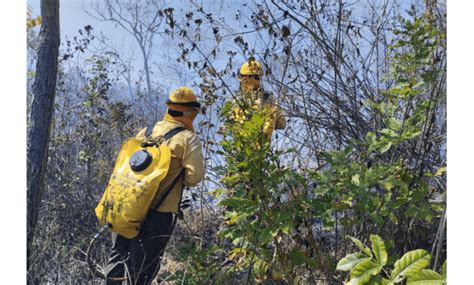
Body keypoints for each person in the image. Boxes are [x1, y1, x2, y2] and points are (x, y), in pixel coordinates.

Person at [105, 86, 205, 284]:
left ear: (169, 108)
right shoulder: (187, 138)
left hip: (127, 206)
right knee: (143, 270)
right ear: (190, 112)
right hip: (159, 213)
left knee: (116, 261)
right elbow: (195, 177)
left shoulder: (147, 132)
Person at [232, 57, 286, 141]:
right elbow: (282, 124)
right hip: (262, 151)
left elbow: (228, 126)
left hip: (242, 151)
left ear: (245, 79)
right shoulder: (269, 99)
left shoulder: (238, 101)